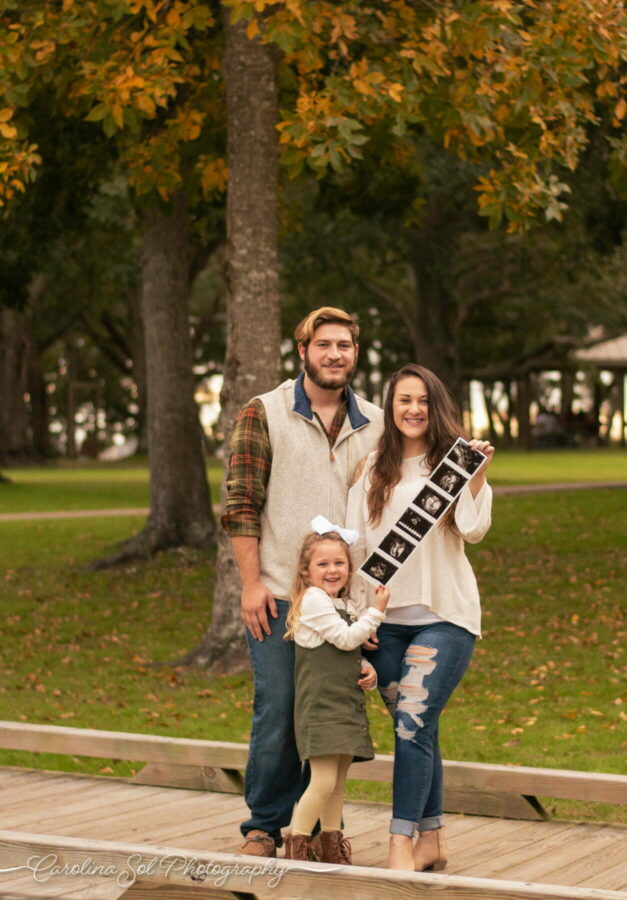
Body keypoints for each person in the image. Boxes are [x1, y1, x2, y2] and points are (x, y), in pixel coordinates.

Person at [221, 307, 384, 857]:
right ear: (303, 351)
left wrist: (366, 607)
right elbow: (241, 504)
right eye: (324, 344)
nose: (334, 354)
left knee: (330, 715)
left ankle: (315, 831)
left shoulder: (376, 422)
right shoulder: (263, 412)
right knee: (278, 708)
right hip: (278, 595)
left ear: (355, 353)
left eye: (344, 345)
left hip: (345, 604)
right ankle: (265, 828)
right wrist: (250, 583)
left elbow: (389, 509)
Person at [346, 363, 494, 872]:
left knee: (411, 723)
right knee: (417, 728)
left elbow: (473, 530)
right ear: (390, 406)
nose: (414, 409)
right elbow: (355, 546)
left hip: (444, 615)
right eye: (404, 400)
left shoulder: (454, 462)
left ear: (437, 407)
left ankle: (400, 844)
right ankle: (432, 839)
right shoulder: (372, 469)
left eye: (424, 401)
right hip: (383, 624)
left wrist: (476, 476)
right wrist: (357, 619)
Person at [282, 523, 390, 863]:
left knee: (338, 783)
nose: (332, 570)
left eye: (339, 563)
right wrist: (377, 611)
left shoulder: (339, 603)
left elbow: (347, 649)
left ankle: (330, 846)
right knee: (324, 782)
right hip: (321, 707)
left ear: (349, 567)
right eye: (323, 564)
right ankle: (297, 847)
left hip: (343, 704)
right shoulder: (314, 599)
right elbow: (345, 639)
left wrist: (367, 669)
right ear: (306, 571)